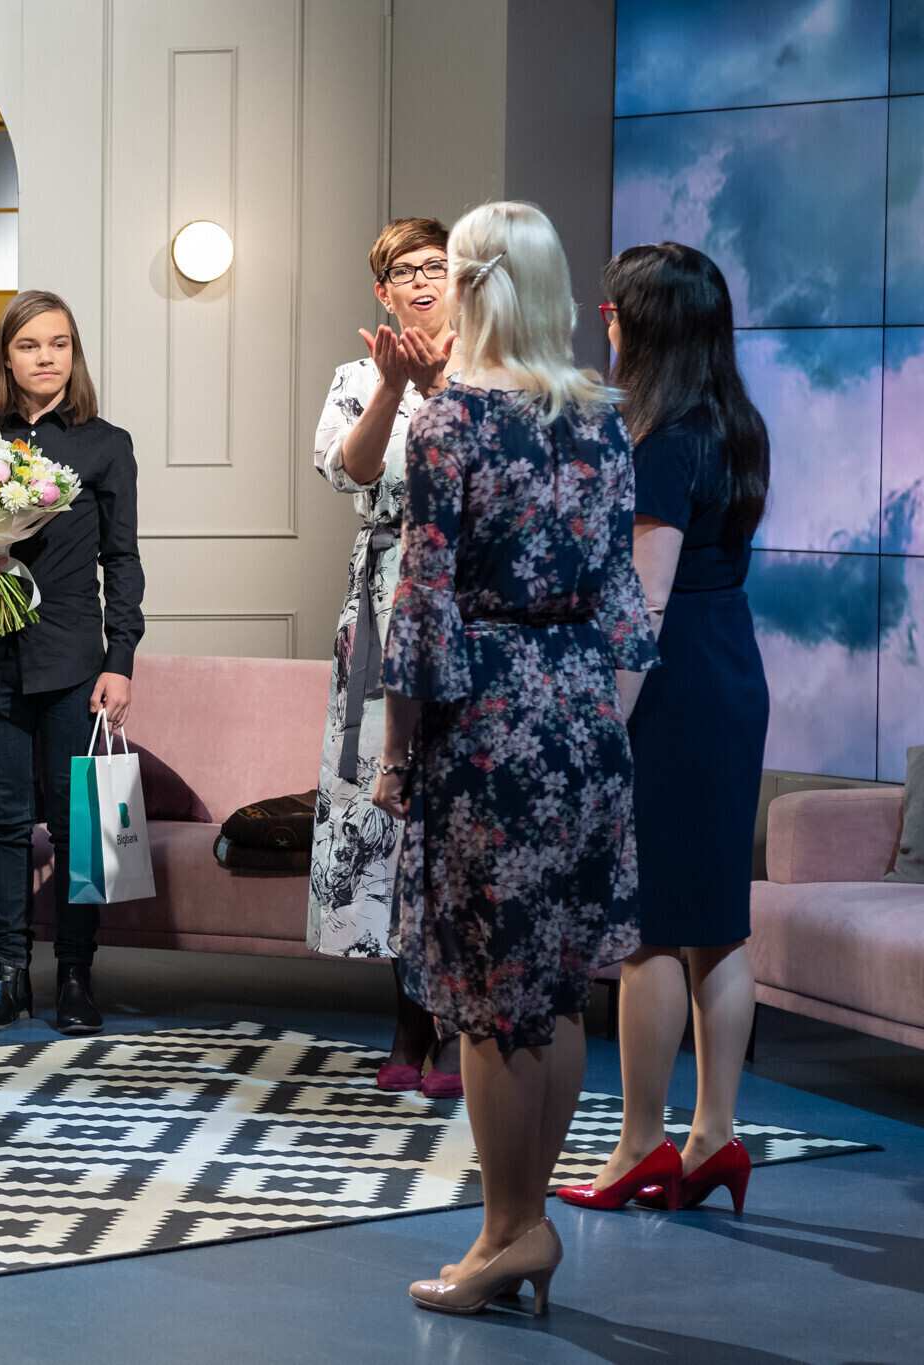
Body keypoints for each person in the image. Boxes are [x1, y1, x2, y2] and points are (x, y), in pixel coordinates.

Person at [370, 202, 660, 1315]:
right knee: (554, 992)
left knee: (490, 1003)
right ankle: (525, 1225)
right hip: (582, 717)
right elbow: (624, 603)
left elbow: (423, 606)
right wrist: (594, 717)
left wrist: (398, 754)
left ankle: (505, 1233)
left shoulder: (450, 420)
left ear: (476, 285)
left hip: (486, 724)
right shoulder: (600, 419)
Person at [559, 243, 771, 1215]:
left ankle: (638, 1144)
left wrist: (604, 729)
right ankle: (713, 1137)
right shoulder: (735, 426)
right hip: (730, 669)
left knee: (647, 929)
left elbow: (643, 606)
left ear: (644, 326)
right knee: (716, 923)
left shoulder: (661, 441)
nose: (602, 325)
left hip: (673, 685)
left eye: (611, 312)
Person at [0, 289, 145, 1037]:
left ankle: (73, 975)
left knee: (73, 825)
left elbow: (121, 560)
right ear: (7, 357)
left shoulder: (106, 444)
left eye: (59, 344)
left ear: (74, 354)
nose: (46, 357)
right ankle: (8, 976)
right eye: (29, 345)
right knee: (4, 821)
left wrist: (120, 659)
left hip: (73, 661)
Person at [308, 216, 464, 1099]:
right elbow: (354, 471)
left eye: (436, 266)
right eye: (404, 271)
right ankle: (409, 1018)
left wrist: (439, 385)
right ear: (382, 291)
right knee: (388, 810)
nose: (422, 280)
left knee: (456, 808)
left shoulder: (492, 369)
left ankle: (458, 1020)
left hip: (469, 602)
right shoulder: (357, 376)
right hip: (381, 600)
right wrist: (394, 387)